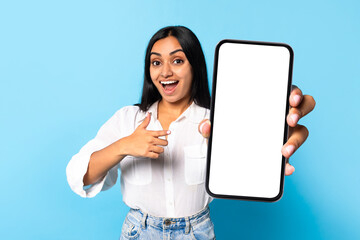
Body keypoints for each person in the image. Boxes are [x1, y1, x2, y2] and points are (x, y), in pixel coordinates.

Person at [66, 26, 315, 239]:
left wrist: (273, 124)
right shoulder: (128, 119)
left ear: (194, 65)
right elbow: (80, 177)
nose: (165, 72)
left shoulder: (214, 121)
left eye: (177, 60)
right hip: (139, 232)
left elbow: (249, 163)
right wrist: (124, 146)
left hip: (196, 232)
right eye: (156, 62)